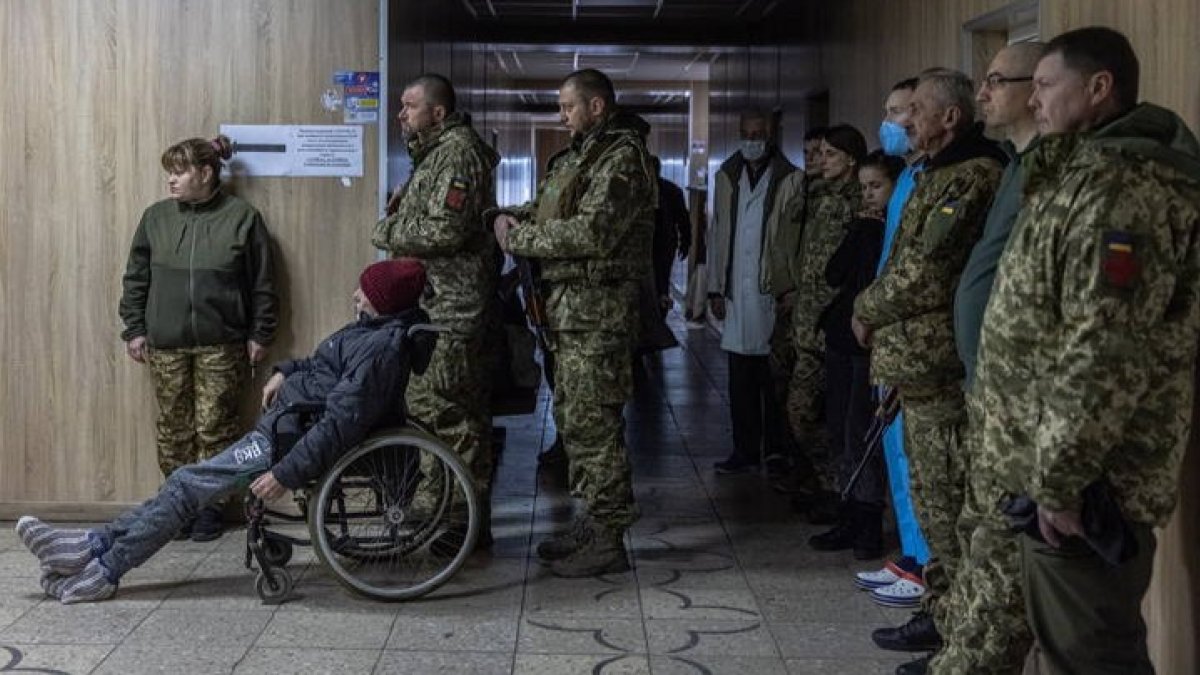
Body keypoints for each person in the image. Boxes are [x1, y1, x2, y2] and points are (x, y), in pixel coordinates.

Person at [976, 27, 1200, 674]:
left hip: (1088, 486)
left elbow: (1103, 347)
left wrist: (1059, 480)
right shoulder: (1080, 172)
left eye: (1045, 86)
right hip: (1053, 466)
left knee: (1091, 654)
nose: (1034, 101)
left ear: (1099, 88)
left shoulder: (1122, 191)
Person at [19, 259, 430, 604]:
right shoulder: (370, 331)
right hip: (287, 425)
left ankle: (105, 568)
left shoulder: (380, 351)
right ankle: (91, 547)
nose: (356, 297)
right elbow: (323, 367)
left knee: (186, 484)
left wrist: (285, 473)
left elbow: (342, 423)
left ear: (385, 302)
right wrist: (285, 372)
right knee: (186, 483)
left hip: (288, 440)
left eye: (364, 292)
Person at [852, 68, 1005, 675]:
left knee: (946, 509)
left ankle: (958, 638)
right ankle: (940, 617)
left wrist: (866, 307)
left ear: (950, 118)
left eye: (915, 110)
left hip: (939, 365)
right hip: (915, 363)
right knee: (932, 501)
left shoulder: (972, 177)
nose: (903, 122)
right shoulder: (932, 173)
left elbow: (925, 271)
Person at [490, 69, 656, 577]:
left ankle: (608, 537)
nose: (561, 116)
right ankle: (591, 523)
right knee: (575, 424)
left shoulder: (622, 159)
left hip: (598, 316)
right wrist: (503, 213)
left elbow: (591, 233)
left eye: (568, 107)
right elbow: (546, 210)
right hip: (569, 314)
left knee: (595, 426)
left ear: (597, 106)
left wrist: (516, 239)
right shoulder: (579, 157)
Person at [929, 42, 1045, 675]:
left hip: (1020, 406)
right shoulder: (1017, 166)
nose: (983, 94)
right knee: (977, 539)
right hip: (989, 389)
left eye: (996, 80)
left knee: (996, 550)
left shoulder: (1040, 173)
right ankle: (956, 643)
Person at [118, 135, 278, 542]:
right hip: (166, 343)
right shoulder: (155, 218)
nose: (171, 180)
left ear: (205, 173)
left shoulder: (242, 217)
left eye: (179, 171)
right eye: (169, 172)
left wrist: (261, 333)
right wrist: (134, 328)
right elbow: (136, 278)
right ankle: (178, 508)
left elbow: (263, 283)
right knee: (173, 429)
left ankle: (211, 508)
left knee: (217, 429)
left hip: (221, 343)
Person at [372, 73, 500, 545]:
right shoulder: (432, 155)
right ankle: (462, 519)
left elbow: (446, 232)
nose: (401, 114)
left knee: (442, 412)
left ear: (438, 113)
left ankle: (452, 519)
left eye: (409, 105)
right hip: (439, 304)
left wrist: (385, 231)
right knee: (457, 413)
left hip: (453, 307)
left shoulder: (458, 154)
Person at [854, 78, 934, 608]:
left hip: (915, 336)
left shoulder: (943, 179)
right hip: (890, 332)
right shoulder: (912, 175)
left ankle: (927, 564)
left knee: (918, 458)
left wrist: (872, 308)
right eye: (888, 111)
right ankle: (911, 553)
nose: (892, 123)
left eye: (901, 112)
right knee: (895, 449)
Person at [810, 150, 903, 559]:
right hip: (842, 337)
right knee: (840, 430)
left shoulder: (898, 229)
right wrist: (860, 231)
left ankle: (867, 520)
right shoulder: (863, 226)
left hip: (872, 343)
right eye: (864, 187)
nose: (868, 196)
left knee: (862, 432)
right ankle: (847, 513)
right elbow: (835, 272)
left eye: (876, 187)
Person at [705, 108, 806, 476]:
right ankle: (744, 450)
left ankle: (776, 450)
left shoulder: (791, 179)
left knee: (774, 379)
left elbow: (794, 241)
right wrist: (715, 287)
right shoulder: (726, 176)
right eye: (746, 132)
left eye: (759, 133)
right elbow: (717, 235)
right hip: (735, 290)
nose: (752, 140)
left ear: (772, 134)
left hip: (772, 291)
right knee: (740, 379)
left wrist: (790, 287)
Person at [784, 124, 868, 523]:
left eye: (831, 154)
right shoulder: (818, 196)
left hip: (836, 325)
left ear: (850, 158)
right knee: (802, 413)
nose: (821, 161)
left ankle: (840, 489)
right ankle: (824, 481)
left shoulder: (860, 201)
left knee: (835, 417)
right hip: (807, 324)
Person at [650, 156, 691, 316]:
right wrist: (685, 241)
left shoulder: (669, 191)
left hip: (662, 246)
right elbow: (684, 220)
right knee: (660, 280)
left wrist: (685, 241)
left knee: (660, 281)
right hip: (660, 245)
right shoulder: (670, 190)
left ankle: (660, 312)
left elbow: (683, 219)